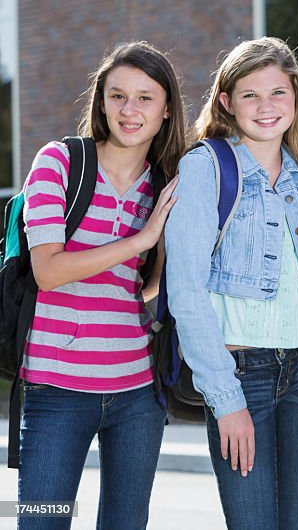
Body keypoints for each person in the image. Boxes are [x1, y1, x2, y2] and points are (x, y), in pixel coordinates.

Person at [164, 37, 298, 530]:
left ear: (296, 98)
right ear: (226, 101)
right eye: (250, 95)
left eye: (278, 93)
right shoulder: (206, 166)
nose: (266, 107)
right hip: (242, 371)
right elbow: (186, 290)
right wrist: (225, 396)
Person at [17, 41, 186, 529]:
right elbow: (48, 270)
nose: (129, 111)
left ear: (166, 108)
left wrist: (165, 253)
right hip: (57, 386)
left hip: (137, 390)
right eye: (118, 96)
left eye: (145, 98)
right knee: (41, 521)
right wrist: (144, 238)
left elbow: (146, 293)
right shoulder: (60, 163)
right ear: (102, 101)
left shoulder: (164, 185)